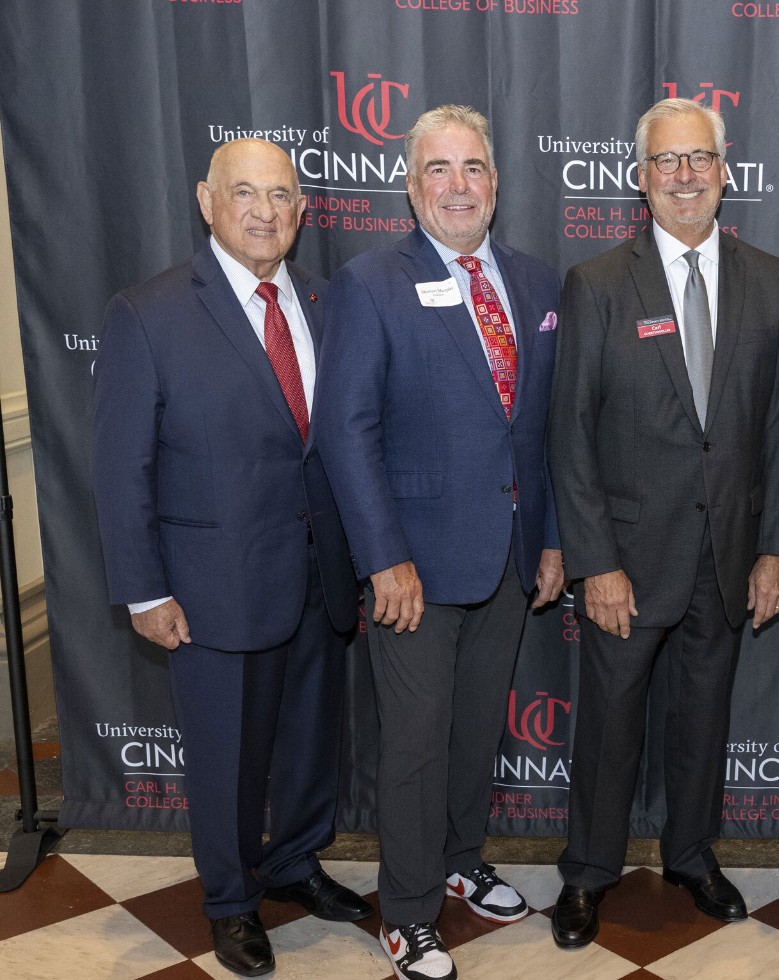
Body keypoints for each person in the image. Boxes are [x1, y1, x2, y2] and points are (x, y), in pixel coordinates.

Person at [92, 138, 370, 978]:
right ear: (206, 202)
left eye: (280, 195)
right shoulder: (148, 312)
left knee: (310, 742)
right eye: (243, 192)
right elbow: (121, 465)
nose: (263, 211)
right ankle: (230, 900)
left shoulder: (326, 299)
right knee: (227, 757)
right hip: (214, 585)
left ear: (303, 210)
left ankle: (294, 862)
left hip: (320, 573)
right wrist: (144, 591)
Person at [312, 104, 563, 980]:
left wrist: (552, 539)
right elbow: (345, 430)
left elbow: (544, 430)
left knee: (473, 730)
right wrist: (383, 557)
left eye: (474, 168)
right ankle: (410, 911)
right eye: (439, 169)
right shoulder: (369, 283)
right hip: (412, 565)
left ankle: (460, 858)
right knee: (416, 744)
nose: (459, 186)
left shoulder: (535, 283)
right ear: (411, 187)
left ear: (497, 181)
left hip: (510, 554)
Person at [547, 97, 779, 949]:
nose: (685, 176)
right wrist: (595, 561)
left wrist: (776, 550)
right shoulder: (596, 284)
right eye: (667, 161)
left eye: (700, 159)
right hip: (627, 558)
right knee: (610, 727)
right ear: (641, 177)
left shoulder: (771, 280)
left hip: (728, 554)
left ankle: (692, 855)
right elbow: (570, 434)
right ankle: (588, 872)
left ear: (725, 171)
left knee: (702, 720)